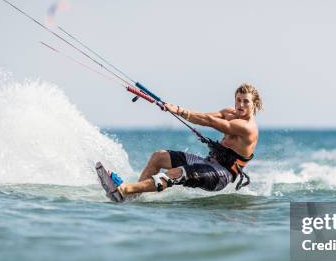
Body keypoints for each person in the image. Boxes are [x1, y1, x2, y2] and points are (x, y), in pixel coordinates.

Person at [109, 83, 262, 199]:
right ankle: (132, 197)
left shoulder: (248, 128)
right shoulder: (229, 112)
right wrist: (172, 109)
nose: (240, 105)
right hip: (208, 162)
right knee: (159, 157)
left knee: (177, 173)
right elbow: (203, 116)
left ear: (254, 104)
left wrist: (179, 110)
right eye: (238, 100)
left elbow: (209, 121)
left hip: (221, 174)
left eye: (246, 102)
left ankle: (125, 189)